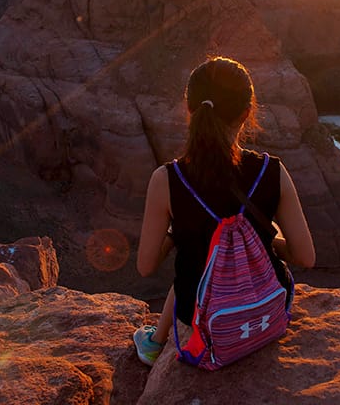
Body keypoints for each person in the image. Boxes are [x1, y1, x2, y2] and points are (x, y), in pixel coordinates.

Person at [133, 56, 316, 366]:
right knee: (204, 264)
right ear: (247, 113)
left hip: (203, 318)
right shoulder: (272, 171)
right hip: (265, 309)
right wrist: (261, 240)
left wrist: (179, 231)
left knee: (197, 265)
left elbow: (146, 266)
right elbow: (305, 257)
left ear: (190, 111)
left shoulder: (167, 180)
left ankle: (153, 344)